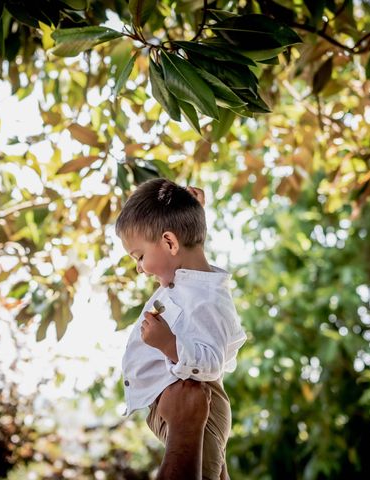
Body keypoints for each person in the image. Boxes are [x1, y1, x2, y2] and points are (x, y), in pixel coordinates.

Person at [116, 178, 247, 480]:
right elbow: (190, 250)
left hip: (200, 407)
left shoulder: (208, 300)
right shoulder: (189, 282)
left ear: (170, 243)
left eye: (139, 256)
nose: (139, 267)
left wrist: (170, 346)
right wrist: (193, 212)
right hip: (184, 405)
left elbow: (211, 362)